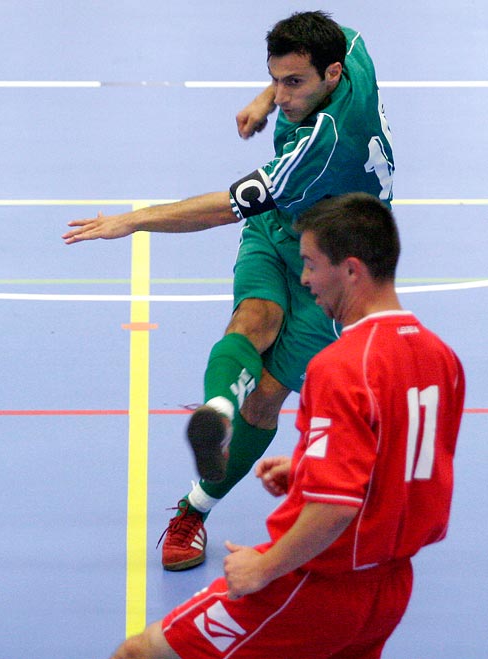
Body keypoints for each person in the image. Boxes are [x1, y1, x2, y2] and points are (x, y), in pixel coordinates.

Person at [63, 11, 396, 571]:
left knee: (266, 397)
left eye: (296, 84)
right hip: (281, 228)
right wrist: (268, 99)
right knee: (254, 319)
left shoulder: (323, 147)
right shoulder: (350, 49)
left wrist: (136, 219)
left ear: (333, 75)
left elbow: (223, 208)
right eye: (277, 77)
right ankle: (217, 412)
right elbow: (304, 72)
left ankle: (196, 504)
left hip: (336, 264)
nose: (285, 94)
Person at [106, 192, 466, 659]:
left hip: (316, 582)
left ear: (351, 270)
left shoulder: (340, 366)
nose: (305, 280)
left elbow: (334, 510)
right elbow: (408, 468)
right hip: (390, 589)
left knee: (139, 652)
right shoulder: (442, 358)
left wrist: (264, 567)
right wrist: (307, 469)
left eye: (312, 265)